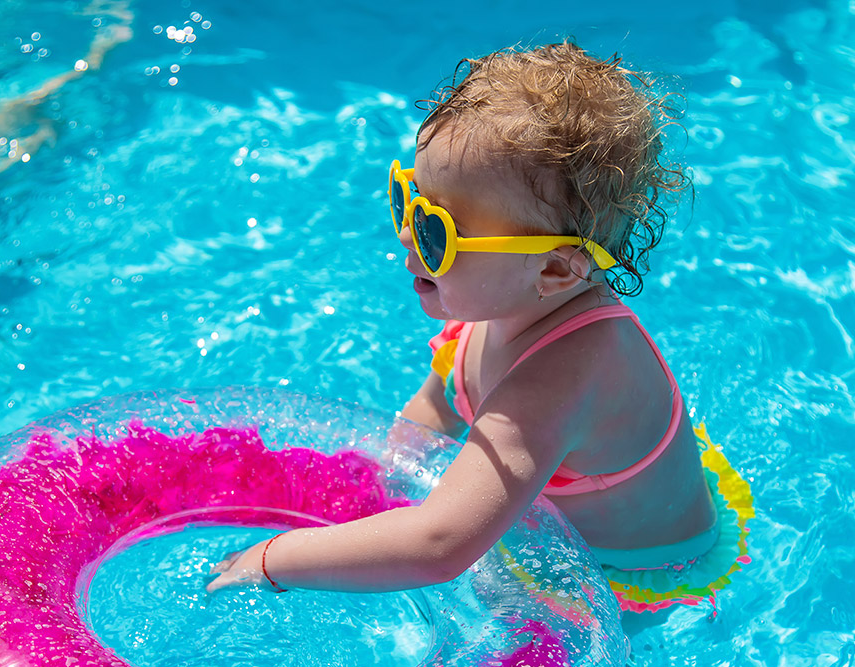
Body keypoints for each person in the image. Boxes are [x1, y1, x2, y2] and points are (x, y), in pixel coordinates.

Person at [208, 41, 753, 616]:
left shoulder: (561, 382)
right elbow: (429, 416)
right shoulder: (499, 305)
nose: (405, 240)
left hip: (635, 571)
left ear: (551, 268)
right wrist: (360, 503)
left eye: (437, 233)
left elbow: (440, 545)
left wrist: (274, 559)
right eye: (407, 201)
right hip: (566, 509)